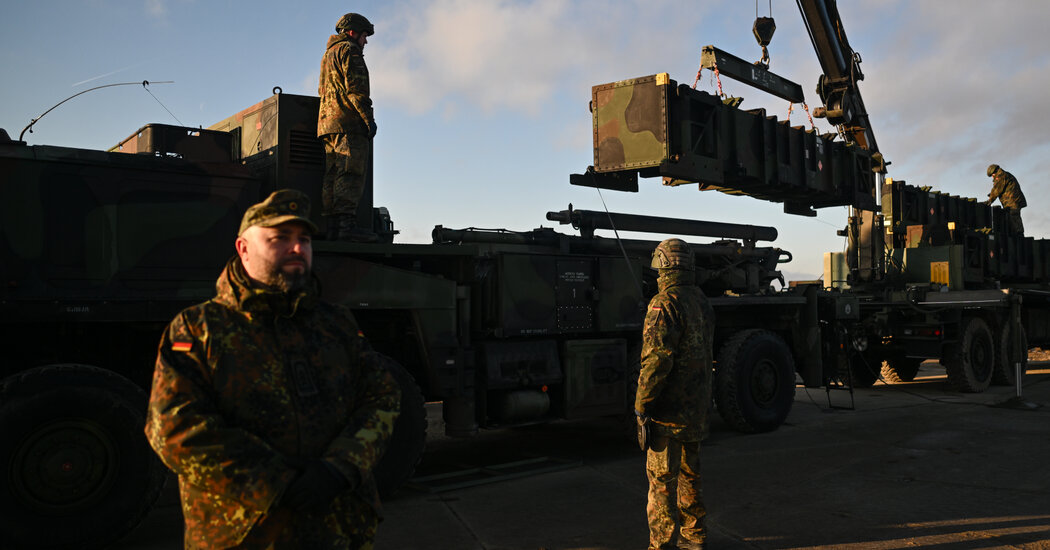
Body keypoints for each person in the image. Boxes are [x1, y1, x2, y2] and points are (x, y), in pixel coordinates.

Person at [145, 189, 401, 549]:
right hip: (245, 534)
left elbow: (382, 395)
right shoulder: (199, 328)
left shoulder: (336, 323)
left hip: (338, 530)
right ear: (243, 249)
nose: (297, 248)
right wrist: (276, 482)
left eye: (304, 239)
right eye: (280, 238)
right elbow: (173, 428)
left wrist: (341, 466)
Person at [635, 238, 715, 550]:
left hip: (668, 414)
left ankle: (661, 544)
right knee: (690, 476)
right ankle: (694, 537)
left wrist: (642, 405)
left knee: (661, 483)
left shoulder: (664, 303)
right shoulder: (700, 300)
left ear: (663, 265)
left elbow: (656, 362)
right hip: (696, 409)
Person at [318, 12, 377, 242]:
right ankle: (346, 227)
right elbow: (357, 90)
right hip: (347, 123)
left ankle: (333, 227)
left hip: (327, 124)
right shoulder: (349, 51)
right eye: (364, 36)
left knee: (332, 174)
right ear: (352, 32)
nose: (365, 41)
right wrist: (368, 119)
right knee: (350, 172)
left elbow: (322, 90)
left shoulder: (328, 55)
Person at [984, 163, 1026, 234]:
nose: (992, 177)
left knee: (1013, 219)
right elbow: (997, 189)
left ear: (994, 172)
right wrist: (991, 195)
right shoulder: (1004, 174)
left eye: (992, 175)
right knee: (1013, 219)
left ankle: (1018, 235)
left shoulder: (1001, 176)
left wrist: (989, 201)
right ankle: (1018, 235)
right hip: (1013, 201)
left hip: (1012, 202)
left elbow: (997, 190)